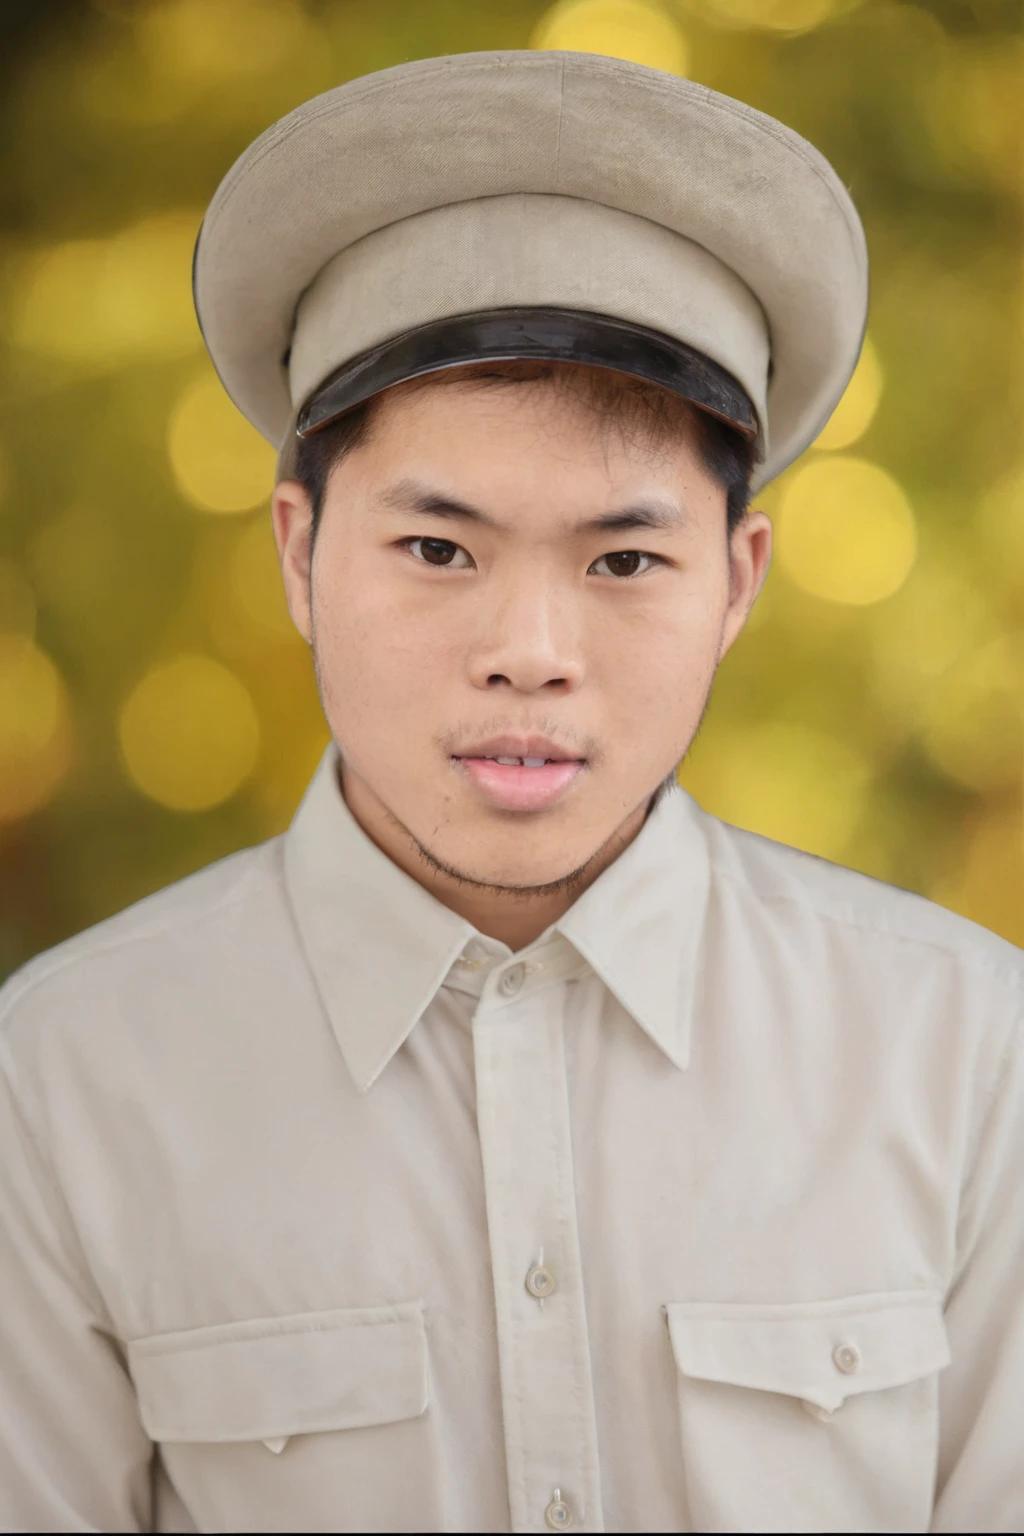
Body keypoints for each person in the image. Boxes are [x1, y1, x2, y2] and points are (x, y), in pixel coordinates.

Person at [0, 48, 1020, 1535]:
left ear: (736, 583)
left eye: (623, 560)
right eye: (438, 550)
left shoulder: (970, 1053)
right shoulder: (63, 1084)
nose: (529, 655)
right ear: (298, 552)